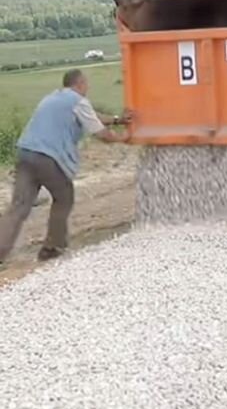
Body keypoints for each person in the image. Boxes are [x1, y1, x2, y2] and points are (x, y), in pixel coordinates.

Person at [0, 69, 131, 267]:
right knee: (64, 196)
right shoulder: (78, 101)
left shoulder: (53, 98)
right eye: (86, 83)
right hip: (47, 157)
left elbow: (92, 117)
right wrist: (123, 138)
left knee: (18, 208)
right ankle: (52, 247)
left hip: (25, 153)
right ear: (80, 84)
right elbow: (100, 133)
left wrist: (116, 119)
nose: (88, 87)